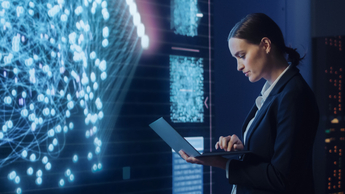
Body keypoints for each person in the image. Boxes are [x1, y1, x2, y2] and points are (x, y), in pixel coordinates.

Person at [179, 13, 319, 194]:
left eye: (242, 56)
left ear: (266, 45)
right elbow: (275, 154)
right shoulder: (273, 92)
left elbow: (282, 178)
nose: (239, 66)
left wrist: (223, 163)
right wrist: (246, 150)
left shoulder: (293, 96)